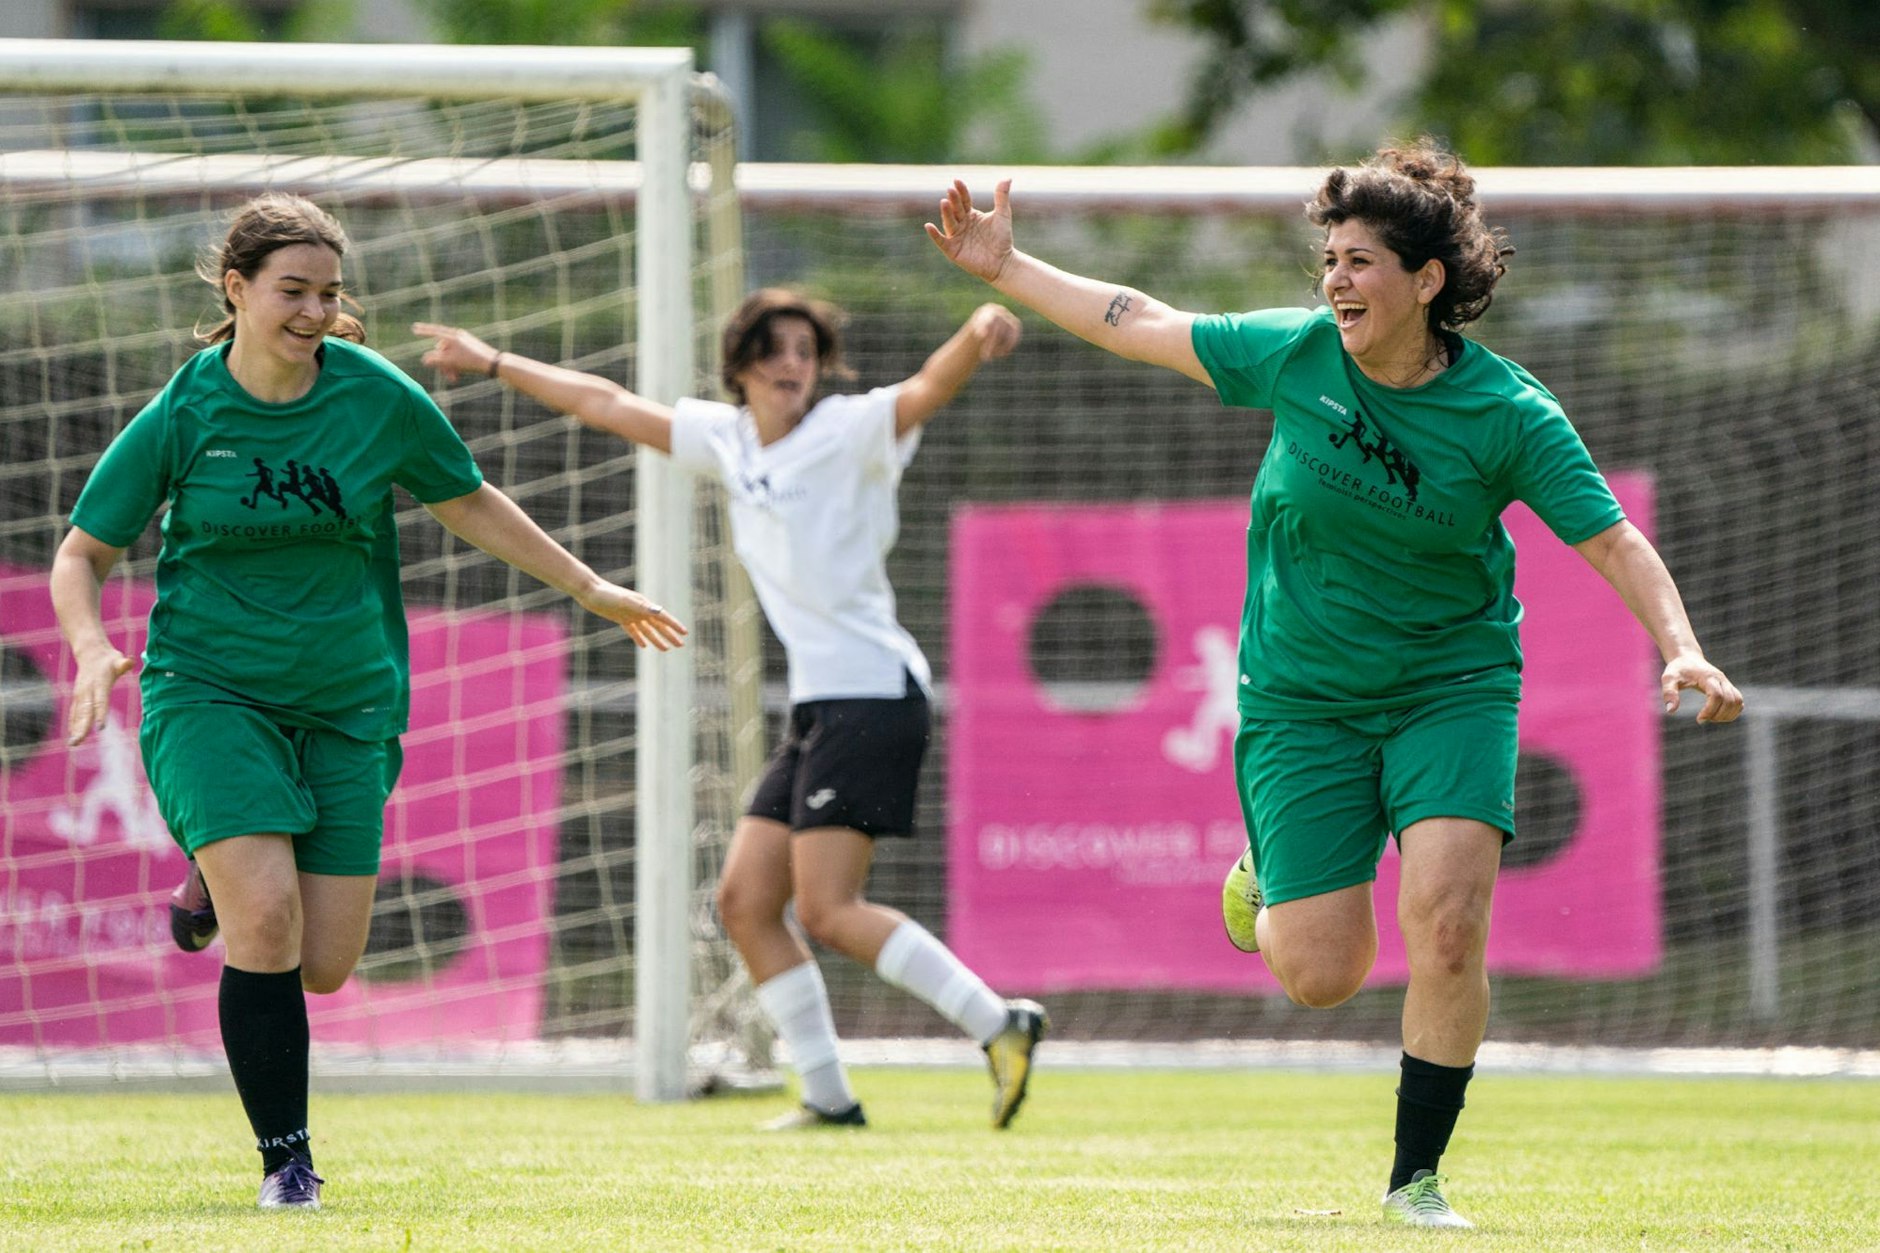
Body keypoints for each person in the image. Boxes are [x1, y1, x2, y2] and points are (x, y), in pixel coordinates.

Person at [926, 142, 1744, 1227]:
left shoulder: (1508, 414)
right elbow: (1136, 317)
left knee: (1448, 922)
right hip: (1300, 698)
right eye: (1330, 259)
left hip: (1450, 685)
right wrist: (1007, 269)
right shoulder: (1296, 354)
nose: (1336, 281)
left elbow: (1611, 541)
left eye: (1361, 261)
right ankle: (1262, 878)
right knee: (1321, 971)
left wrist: (1678, 643)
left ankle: (1415, 1178)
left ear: (1426, 282)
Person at [51, 193, 686, 1211]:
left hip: (349, 705)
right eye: (289, 290)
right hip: (208, 692)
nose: (311, 311)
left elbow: (467, 496)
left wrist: (591, 586)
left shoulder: (374, 396)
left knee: (325, 962)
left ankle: (213, 879)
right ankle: (286, 1162)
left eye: (327, 293)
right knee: (269, 923)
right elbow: (82, 551)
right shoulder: (186, 409)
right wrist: (89, 645)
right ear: (237, 289)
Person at [413, 289, 1049, 1131]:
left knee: (827, 908)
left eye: (807, 352)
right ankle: (827, 1095)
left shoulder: (850, 429)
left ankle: (1000, 1023)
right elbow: (606, 404)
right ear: (742, 366)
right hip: (823, 706)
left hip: (873, 693)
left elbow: (929, 385)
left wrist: (974, 331)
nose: (794, 365)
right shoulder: (728, 438)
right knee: (746, 902)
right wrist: (492, 359)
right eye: (776, 350)